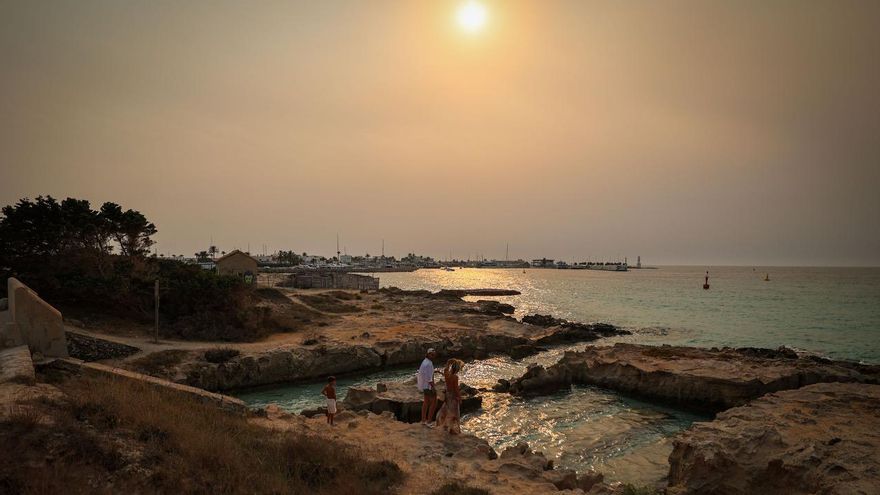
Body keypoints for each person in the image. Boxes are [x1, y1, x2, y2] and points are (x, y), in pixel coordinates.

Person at [436, 359, 464, 435]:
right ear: (457, 369)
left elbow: (447, 365)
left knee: (447, 410)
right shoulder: (455, 377)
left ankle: (446, 426)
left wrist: (451, 361)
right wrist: (460, 398)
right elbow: (456, 389)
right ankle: (453, 429)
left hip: (447, 395)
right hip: (453, 396)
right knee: (454, 413)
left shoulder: (446, 373)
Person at [417, 348, 438, 426]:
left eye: (434, 355)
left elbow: (425, 373)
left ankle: (423, 420)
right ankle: (429, 421)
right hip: (428, 386)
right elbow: (429, 378)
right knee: (434, 403)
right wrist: (433, 387)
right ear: (428, 354)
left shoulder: (424, 361)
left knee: (426, 402)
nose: (433, 356)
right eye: (432, 354)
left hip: (424, 385)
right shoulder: (429, 364)